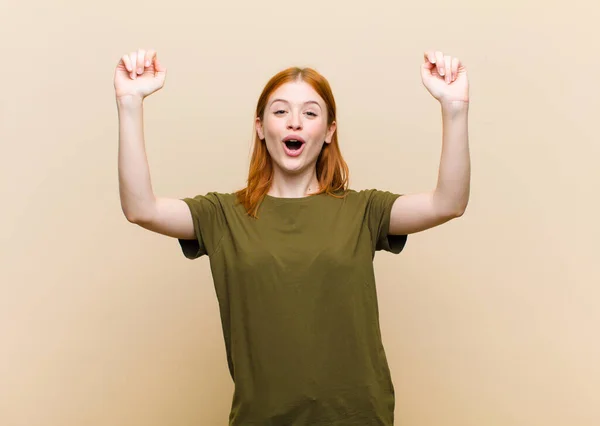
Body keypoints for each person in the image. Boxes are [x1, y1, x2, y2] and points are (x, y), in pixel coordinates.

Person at [114, 48, 470, 426]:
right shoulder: (222, 215)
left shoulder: (364, 211)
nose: (294, 123)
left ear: (329, 131)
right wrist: (129, 103)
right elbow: (141, 209)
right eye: (281, 111)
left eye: (310, 113)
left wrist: (455, 108)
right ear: (260, 127)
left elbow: (448, 203)